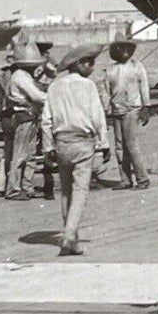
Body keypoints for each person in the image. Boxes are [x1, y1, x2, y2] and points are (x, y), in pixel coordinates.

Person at [40, 43, 111, 255]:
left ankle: (72, 240)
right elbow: (98, 116)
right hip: (83, 143)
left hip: (62, 142)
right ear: (78, 64)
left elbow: (46, 120)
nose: (92, 66)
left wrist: (47, 147)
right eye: (89, 62)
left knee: (66, 190)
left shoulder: (54, 86)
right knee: (80, 190)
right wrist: (105, 143)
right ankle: (69, 235)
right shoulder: (88, 86)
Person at [0, 36, 46, 200]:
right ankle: (14, 189)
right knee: (21, 155)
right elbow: (36, 96)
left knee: (29, 155)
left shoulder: (19, 75)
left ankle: (26, 186)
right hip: (24, 116)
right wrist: (53, 95)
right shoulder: (21, 76)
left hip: (27, 117)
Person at [102, 38, 152, 188]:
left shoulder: (138, 67)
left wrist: (146, 106)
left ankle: (142, 178)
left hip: (133, 109)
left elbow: (144, 87)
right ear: (115, 52)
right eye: (120, 48)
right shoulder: (110, 70)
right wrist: (104, 111)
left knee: (131, 145)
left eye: (126, 48)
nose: (124, 51)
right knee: (119, 146)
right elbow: (106, 92)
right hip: (117, 110)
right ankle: (125, 179)